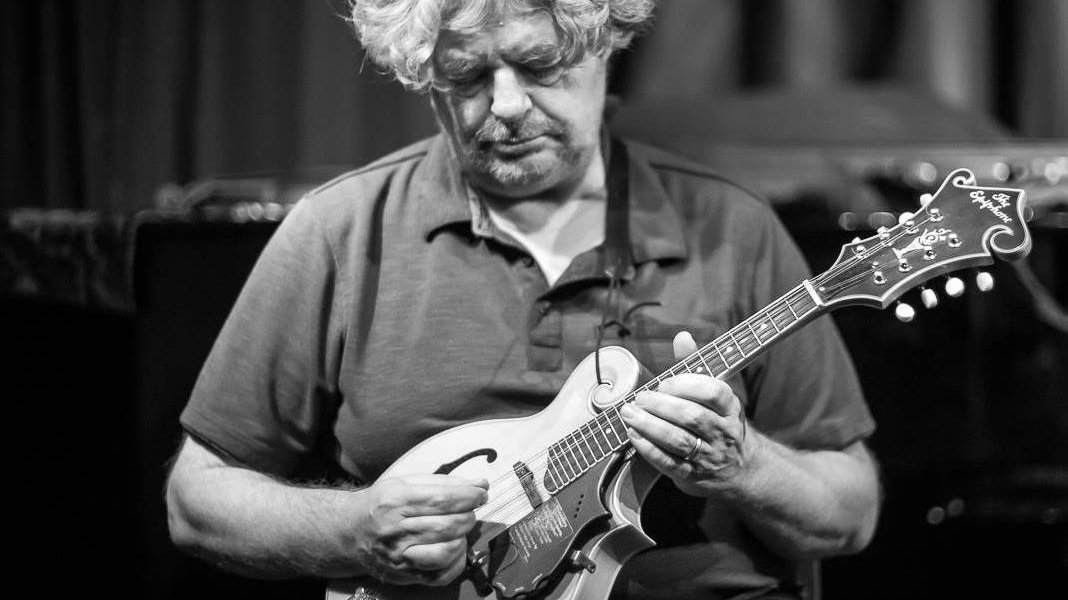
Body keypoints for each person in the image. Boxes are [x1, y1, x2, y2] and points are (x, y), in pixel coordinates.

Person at [165, 1, 881, 598]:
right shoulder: (339, 232)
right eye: (466, 75)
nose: (505, 106)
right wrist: (353, 529)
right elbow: (198, 500)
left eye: (540, 67)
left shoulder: (734, 227)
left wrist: (744, 464)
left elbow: (848, 513)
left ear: (604, 44)